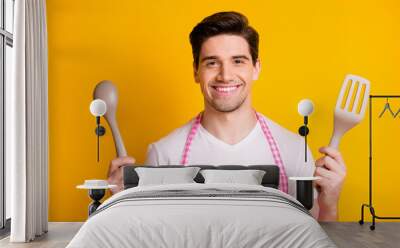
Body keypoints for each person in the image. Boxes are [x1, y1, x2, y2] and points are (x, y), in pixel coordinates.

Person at [107, 11, 346, 221]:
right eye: (212, 63)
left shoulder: (294, 151)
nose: (225, 75)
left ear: (256, 68)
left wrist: (330, 203)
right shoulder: (164, 154)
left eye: (238, 61)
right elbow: (151, 237)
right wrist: (120, 203)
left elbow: (318, 236)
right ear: (196, 72)